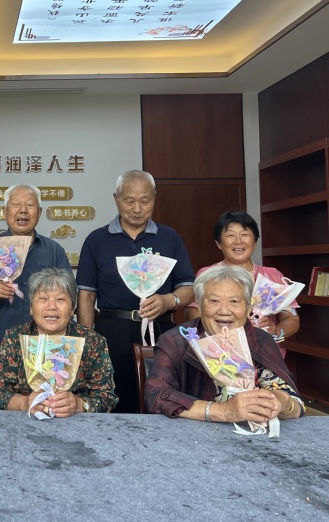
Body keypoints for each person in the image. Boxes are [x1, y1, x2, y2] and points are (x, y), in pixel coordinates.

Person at [76, 170, 194, 414]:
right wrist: (88, 342)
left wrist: (168, 300)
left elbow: (188, 289)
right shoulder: (97, 240)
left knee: (163, 400)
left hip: (160, 329)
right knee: (115, 400)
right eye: (129, 201)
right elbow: (86, 296)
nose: (137, 209)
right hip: (111, 331)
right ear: (116, 199)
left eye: (145, 201)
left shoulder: (169, 238)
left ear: (154, 198)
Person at [146, 265, 304, 421]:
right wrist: (223, 411)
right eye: (214, 301)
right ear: (199, 306)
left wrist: (282, 402)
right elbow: (156, 395)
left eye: (234, 301)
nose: (224, 311)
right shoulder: (175, 341)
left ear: (248, 307)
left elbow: (295, 404)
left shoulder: (261, 339)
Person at [0, 269, 117, 415]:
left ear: (72, 309)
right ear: (31, 308)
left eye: (60, 300)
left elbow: (107, 397)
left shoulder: (93, 342)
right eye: (43, 299)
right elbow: (0, 392)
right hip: (25, 421)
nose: (51, 306)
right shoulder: (14, 338)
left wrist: (79, 405)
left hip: (76, 423)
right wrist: (25, 403)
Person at [0, 184, 72, 344]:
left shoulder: (54, 251)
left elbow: (69, 296)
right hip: (1, 344)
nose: (23, 210)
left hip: (47, 346)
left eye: (30, 205)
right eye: (16, 204)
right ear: (5, 212)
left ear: (39, 212)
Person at [185, 211, 300, 341]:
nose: (238, 241)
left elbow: (291, 317)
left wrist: (276, 331)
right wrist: (218, 328)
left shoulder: (273, 275)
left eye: (245, 235)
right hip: (220, 348)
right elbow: (192, 312)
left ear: (255, 241)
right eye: (230, 235)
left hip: (264, 349)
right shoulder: (207, 274)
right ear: (218, 243)